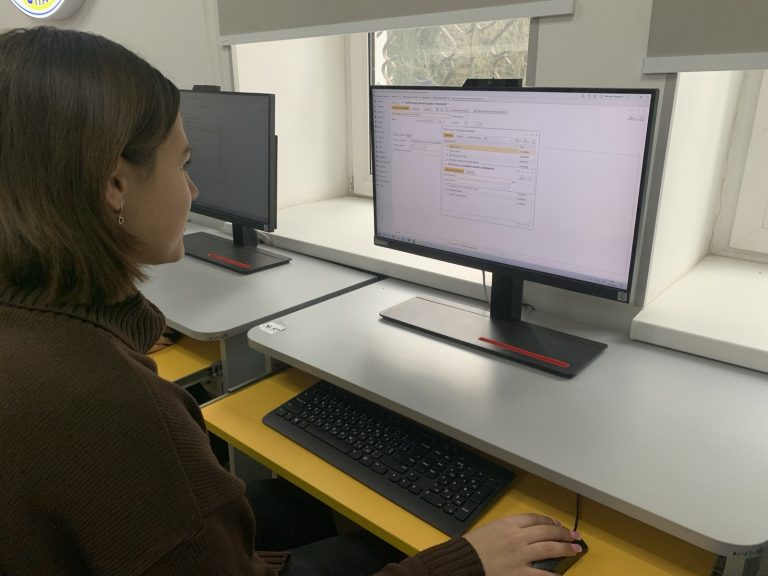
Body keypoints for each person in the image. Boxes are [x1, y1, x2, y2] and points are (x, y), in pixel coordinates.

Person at [0, 26, 582, 575]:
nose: (193, 189)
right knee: (373, 543)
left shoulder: (38, 340)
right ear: (114, 185)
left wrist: (116, 335)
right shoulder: (116, 407)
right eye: (183, 164)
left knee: (292, 506)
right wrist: (464, 563)